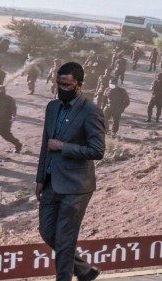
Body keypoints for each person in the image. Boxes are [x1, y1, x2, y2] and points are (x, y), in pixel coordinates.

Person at [35, 62, 105, 281]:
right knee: (47, 233)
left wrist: (64, 147)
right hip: (50, 183)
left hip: (76, 187)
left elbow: (97, 150)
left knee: (65, 240)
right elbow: (46, 143)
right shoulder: (52, 107)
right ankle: (84, 270)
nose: (61, 88)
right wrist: (39, 179)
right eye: (58, 83)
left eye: (66, 85)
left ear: (79, 84)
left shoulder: (91, 111)